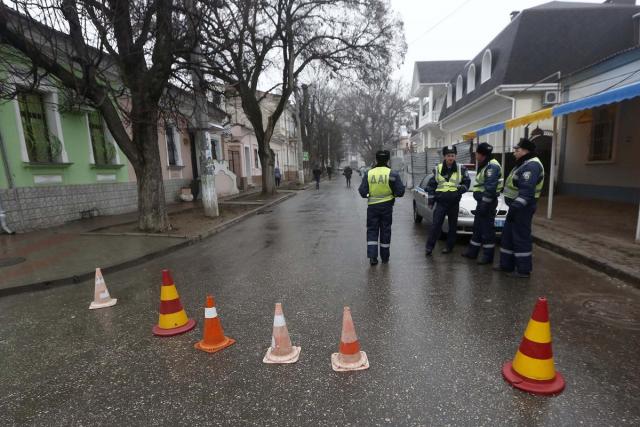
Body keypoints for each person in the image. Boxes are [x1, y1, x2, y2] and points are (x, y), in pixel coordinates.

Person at [496, 138, 544, 278]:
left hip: (522, 208)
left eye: (517, 150)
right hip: (515, 207)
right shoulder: (523, 163)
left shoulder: (532, 166)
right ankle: (506, 265)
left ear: (525, 151)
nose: (514, 153)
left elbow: (527, 192)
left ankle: (523, 270)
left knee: (520, 237)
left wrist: (516, 207)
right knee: (508, 236)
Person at [358, 150, 405, 265]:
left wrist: (370, 195)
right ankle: (385, 257)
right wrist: (392, 195)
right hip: (387, 207)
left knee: (372, 231)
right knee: (385, 231)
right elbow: (400, 192)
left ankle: (373, 258)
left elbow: (362, 191)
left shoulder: (369, 173)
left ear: (376, 159)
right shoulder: (392, 174)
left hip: (372, 207)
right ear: (388, 159)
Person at [425, 145, 471, 256]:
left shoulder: (462, 169)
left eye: (452, 155)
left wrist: (459, 191)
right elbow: (431, 186)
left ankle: (449, 247)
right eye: (448, 156)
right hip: (441, 202)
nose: (450, 158)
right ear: (444, 157)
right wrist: (431, 201)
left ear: (455, 156)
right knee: (436, 225)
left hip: (454, 203)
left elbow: (467, 183)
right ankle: (429, 248)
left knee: (452, 226)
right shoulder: (438, 169)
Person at [461, 143, 503, 264]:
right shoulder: (486, 165)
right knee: (478, 228)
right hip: (483, 202)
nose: (475, 155)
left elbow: (490, 188)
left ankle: (487, 257)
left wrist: (484, 204)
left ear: (482, 154)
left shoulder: (491, 167)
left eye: (477, 153)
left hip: (487, 203)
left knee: (487, 230)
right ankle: (472, 252)